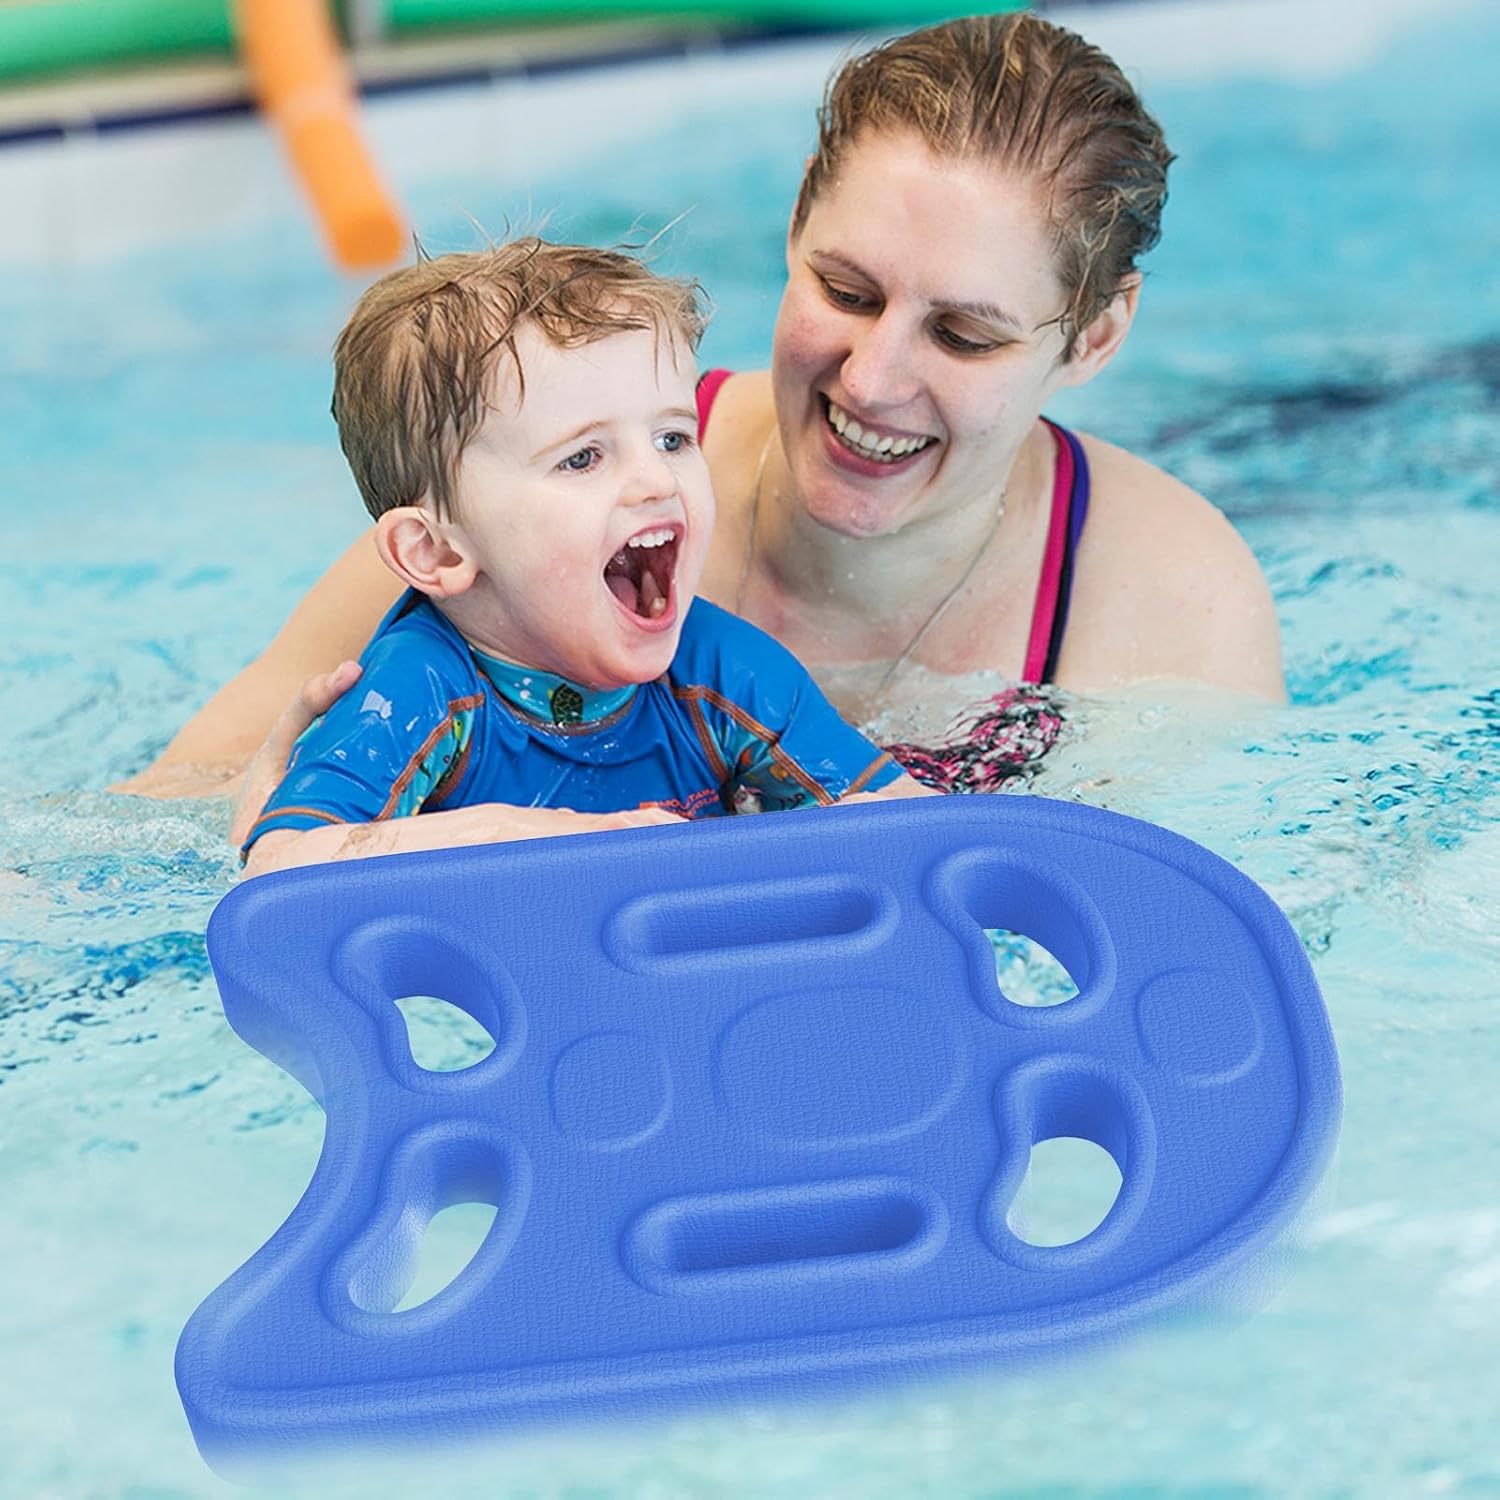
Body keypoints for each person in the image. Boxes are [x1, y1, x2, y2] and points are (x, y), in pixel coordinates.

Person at [121, 11, 1284, 821]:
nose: (873, 380)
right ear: (793, 227)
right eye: (845, 291)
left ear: (1095, 337)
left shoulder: (1164, 605)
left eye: (964, 336)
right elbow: (139, 836)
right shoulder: (534, 492)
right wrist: (285, 825)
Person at [240, 240, 928, 876]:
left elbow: (921, 833)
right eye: (583, 457)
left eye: (672, 439)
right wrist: (521, 834)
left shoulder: (723, 675)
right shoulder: (418, 691)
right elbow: (280, 867)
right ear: (438, 551)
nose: (658, 481)